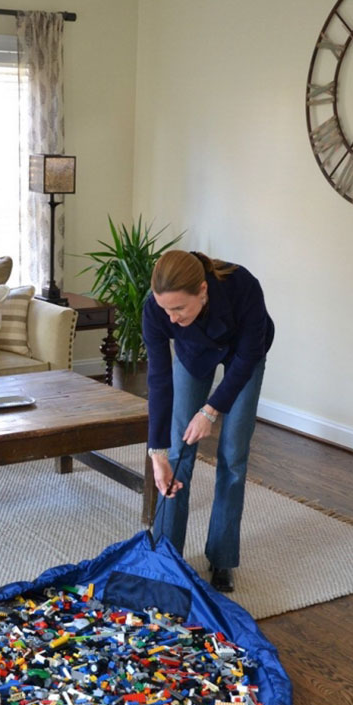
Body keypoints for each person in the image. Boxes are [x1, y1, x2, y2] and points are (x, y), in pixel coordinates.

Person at [142, 249, 274, 592]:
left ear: (202, 290)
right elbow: (158, 378)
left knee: (233, 456)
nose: (170, 318)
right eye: (164, 309)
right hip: (194, 354)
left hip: (245, 356)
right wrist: (156, 451)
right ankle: (167, 555)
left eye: (178, 309)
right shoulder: (156, 309)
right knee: (176, 452)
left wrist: (210, 410)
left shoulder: (243, 286)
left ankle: (223, 557)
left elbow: (247, 358)